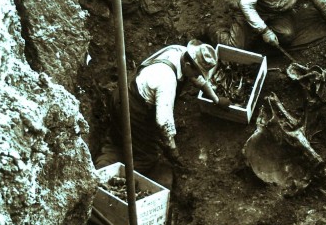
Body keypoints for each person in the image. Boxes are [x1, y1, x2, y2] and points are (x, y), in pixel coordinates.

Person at [95, 39, 230, 181]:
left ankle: (104, 162)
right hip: (133, 108)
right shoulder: (167, 79)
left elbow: (198, 79)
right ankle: (113, 181)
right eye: (198, 72)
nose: (198, 77)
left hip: (123, 93)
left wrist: (216, 99)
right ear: (189, 65)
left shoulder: (179, 52)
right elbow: (163, 121)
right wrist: (172, 149)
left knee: (118, 139)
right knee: (147, 157)